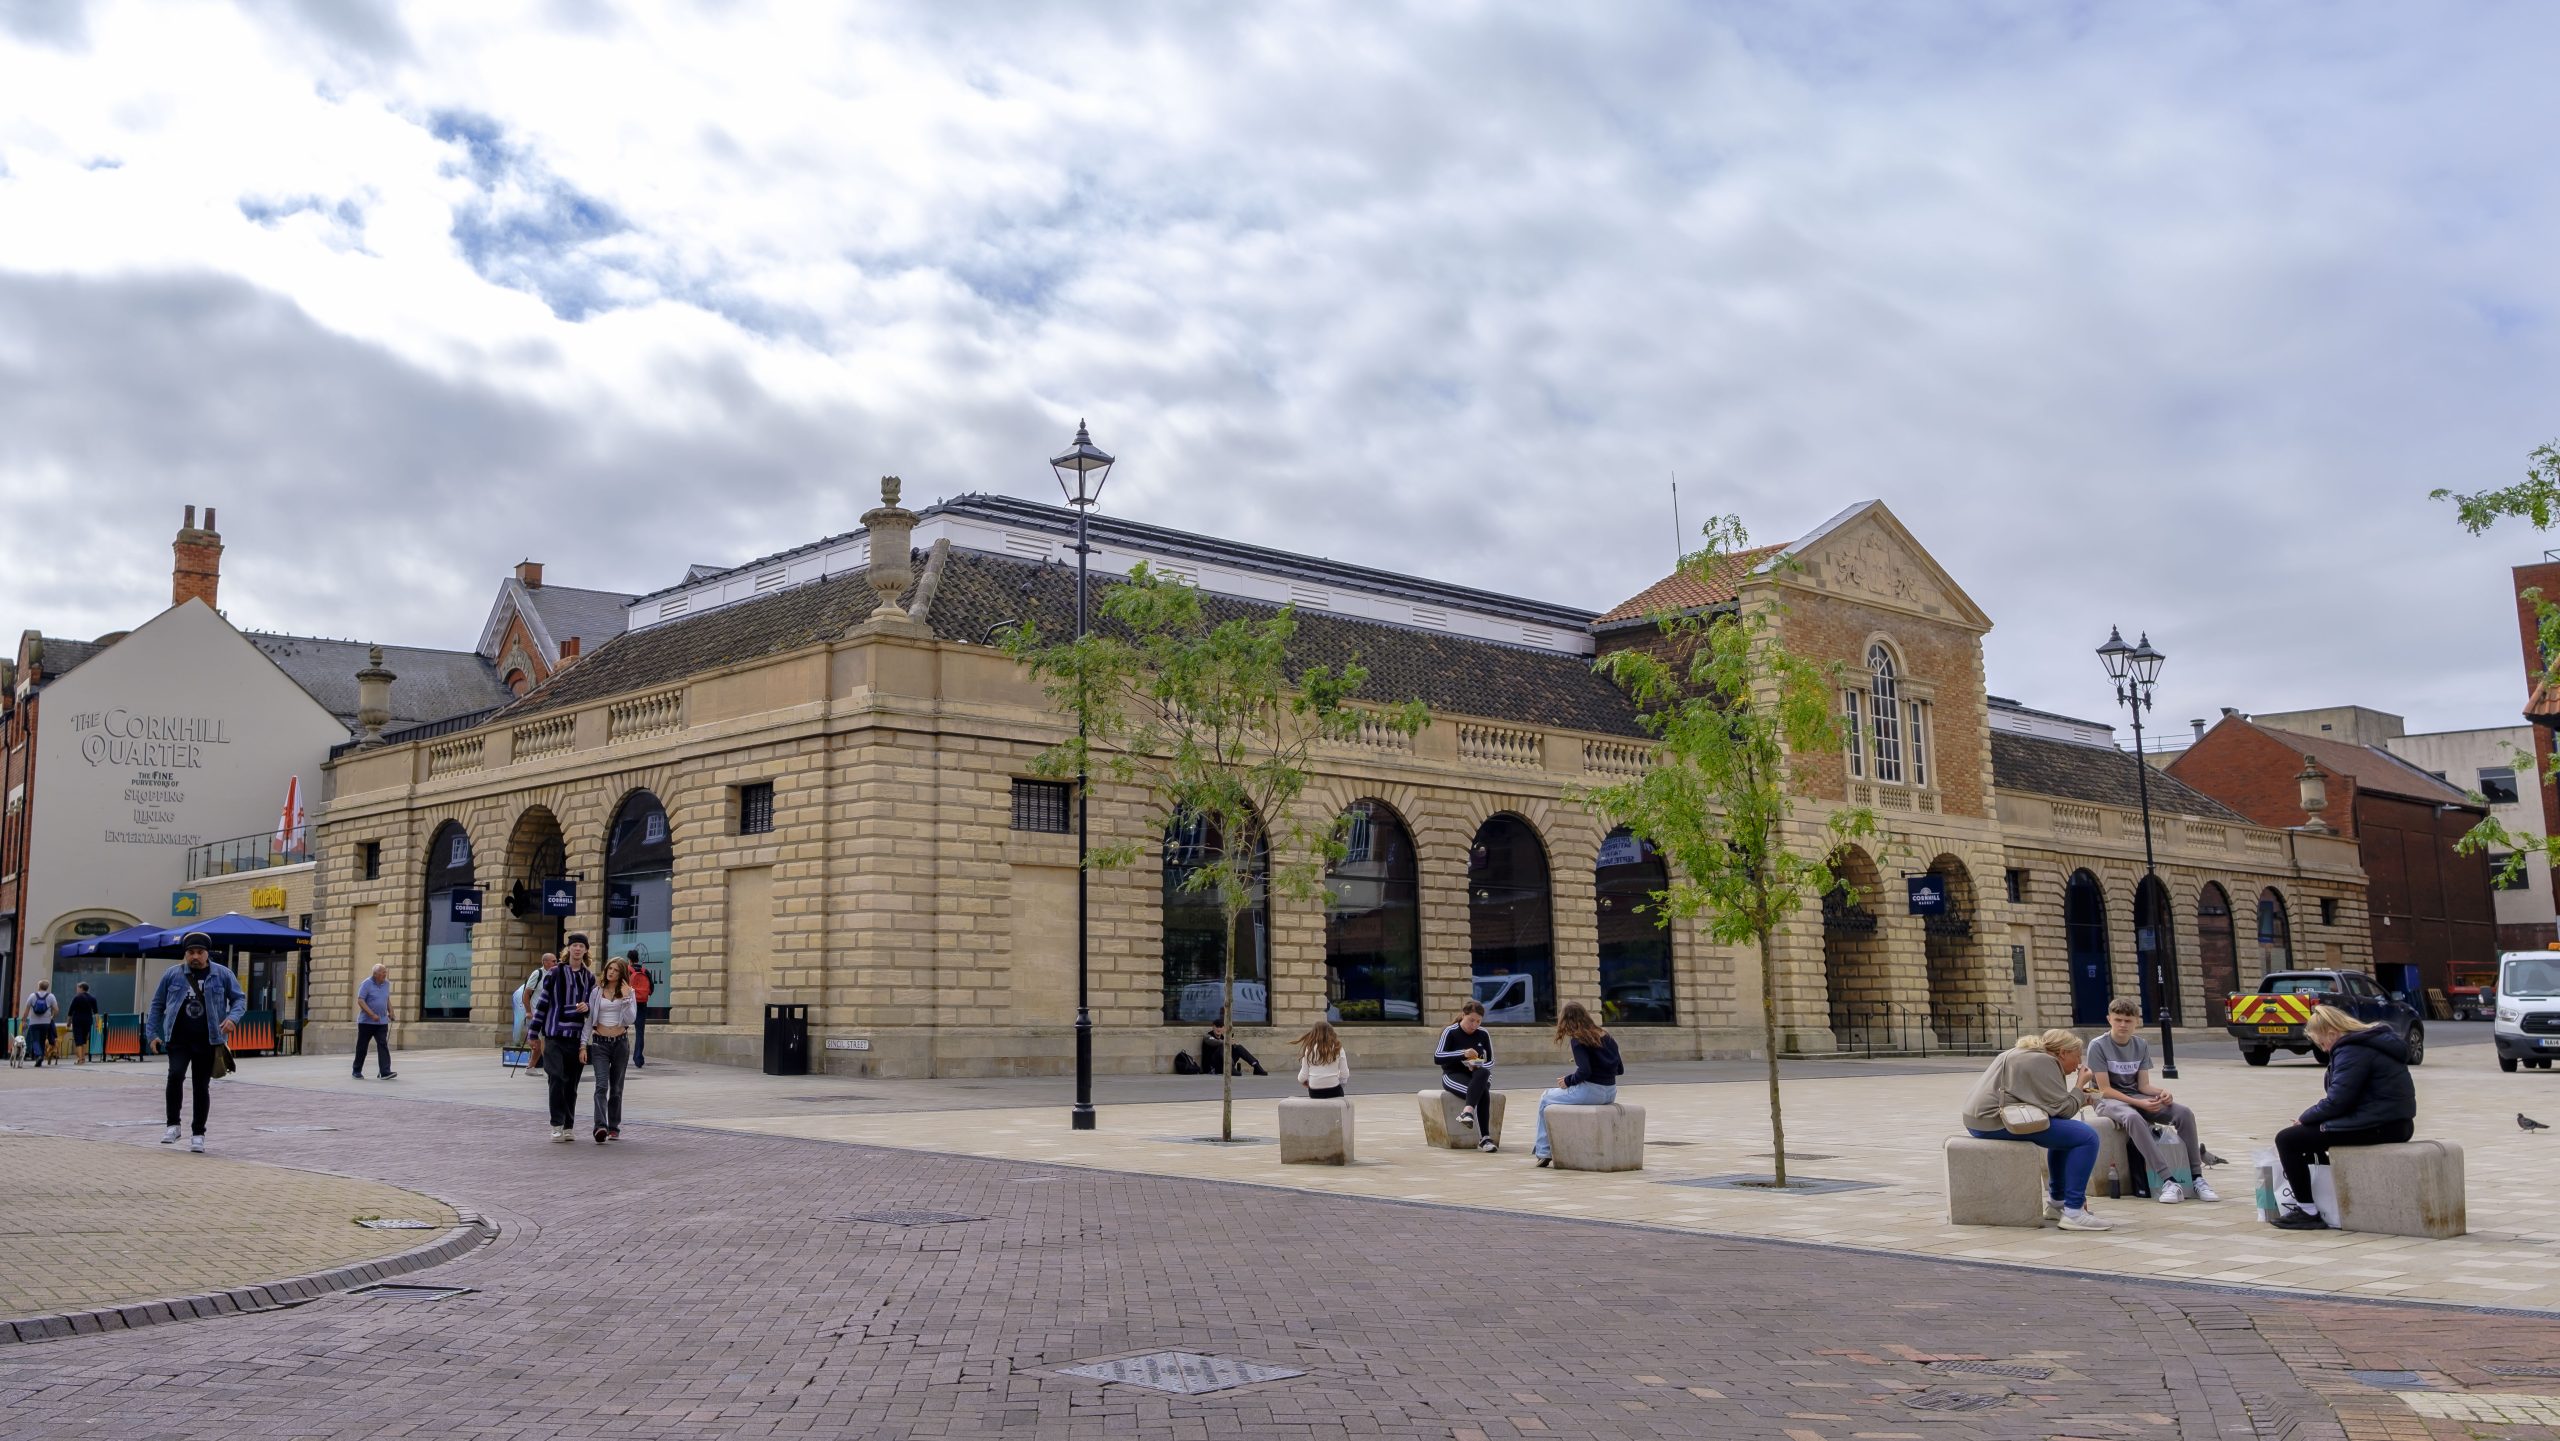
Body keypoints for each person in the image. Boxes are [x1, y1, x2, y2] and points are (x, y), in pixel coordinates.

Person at [2271, 1004, 2418, 1232]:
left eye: (2321, 1043)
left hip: (2380, 1124)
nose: (2324, 1049)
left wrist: (2305, 1118)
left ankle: (2308, 1212)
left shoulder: (2352, 1050)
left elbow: (2338, 1100)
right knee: (2310, 1134)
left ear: (2332, 1033)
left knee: (2287, 1139)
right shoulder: (2369, 1042)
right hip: (2394, 1122)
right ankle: (2326, 1200)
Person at [1961, 1028, 2111, 1231]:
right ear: (2063, 1053)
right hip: (1995, 1122)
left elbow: (2052, 1106)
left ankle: (2057, 1204)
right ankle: (2074, 1211)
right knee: (2086, 1136)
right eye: (2077, 1057)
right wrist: (2079, 1084)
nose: (2078, 1065)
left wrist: (2079, 1098)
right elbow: (2064, 1111)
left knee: (2067, 1137)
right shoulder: (2043, 1061)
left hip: (1980, 1120)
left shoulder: (2025, 1054)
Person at [2086, 998, 2215, 1203]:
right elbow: (2105, 1089)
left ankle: (2196, 1177)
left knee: (2183, 1113)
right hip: (2107, 1100)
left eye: (2128, 1021)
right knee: (2133, 1118)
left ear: (2136, 1022)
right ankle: (2168, 1180)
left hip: (2136, 1096)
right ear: (2109, 1019)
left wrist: (2162, 1092)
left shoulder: (2141, 1045)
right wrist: (2139, 1104)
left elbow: (2143, 1086)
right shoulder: (2098, 1046)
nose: (2122, 1025)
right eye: (2118, 1019)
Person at [146, 935, 245, 1154]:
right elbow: (157, 1004)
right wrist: (152, 1033)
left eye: (200, 952)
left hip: (208, 1039)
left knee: (201, 1086)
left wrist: (233, 1019)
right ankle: (173, 1126)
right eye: (191, 953)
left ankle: (198, 1134)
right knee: (175, 1076)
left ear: (207, 953)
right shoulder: (172, 974)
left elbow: (239, 999)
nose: (195, 957)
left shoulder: (222, 974)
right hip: (178, 1038)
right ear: (185, 954)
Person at [1533, 1001, 1624, 1168]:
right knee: (1553, 1097)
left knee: (1546, 1097)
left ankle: (1543, 1151)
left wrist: (1567, 1081)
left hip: (1591, 1091)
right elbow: (1620, 1069)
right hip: (1611, 1091)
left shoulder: (1578, 1039)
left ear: (1566, 1020)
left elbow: (1585, 1071)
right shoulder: (1606, 1036)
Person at [529, 934, 597, 1142]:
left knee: (572, 1085)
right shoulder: (554, 973)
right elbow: (542, 1004)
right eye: (574, 946)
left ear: (586, 950)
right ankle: (556, 1124)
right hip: (554, 1036)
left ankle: (569, 1125)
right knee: (556, 1078)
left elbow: (594, 1007)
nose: (577, 949)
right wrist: (533, 1033)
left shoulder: (589, 977)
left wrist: (588, 1007)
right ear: (568, 949)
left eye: (581, 946)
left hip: (576, 1038)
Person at [582, 955, 640, 1143]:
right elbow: (589, 1020)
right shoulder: (596, 992)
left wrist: (625, 998)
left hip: (620, 1043)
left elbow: (631, 1019)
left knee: (616, 1088)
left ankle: (614, 1126)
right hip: (599, 1043)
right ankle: (600, 1125)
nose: (611, 972)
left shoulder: (628, 992)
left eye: (615, 969)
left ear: (621, 972)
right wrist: (583, 1044)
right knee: (601, 1085)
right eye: (609, 969)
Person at [1433, 1000, 1500, 1152]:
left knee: (1484, 1072)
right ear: (1463, 1015)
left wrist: (1476, 1063)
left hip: (1478, 1075)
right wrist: (1463, 1054)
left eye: (1478, 1021)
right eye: (1471, 1020)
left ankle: (1467, 1112)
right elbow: (1437, 1057)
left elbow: (1490, 1062)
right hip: (1453, 1075)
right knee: (1483, 1093)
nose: (1474, 1025)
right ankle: (1485, 1139)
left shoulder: (1483, 1034)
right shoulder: (1450, 1031)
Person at [353, 963, 397, 1080]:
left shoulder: (386, 984)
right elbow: (360, 1000)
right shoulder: (366, 983)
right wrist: (371, 1014)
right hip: (366, 1022)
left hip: (382, 1022)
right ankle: (356, 1070)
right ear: (375, 974)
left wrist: (391, 1011)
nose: (385, 974)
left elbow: (386, 999)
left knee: (383, 1045)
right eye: (383, 972)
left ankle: (385, 1072)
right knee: (362, 1047)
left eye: (385, 972)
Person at [1294, 1021, 1349, 1098]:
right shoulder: (1337, 1048)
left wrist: (1304, 1081)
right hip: (1334, 1090)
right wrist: (1339, 1083)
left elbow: (1303, 1076)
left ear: (1314, 1033)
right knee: (1338, 1089)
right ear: (1331, 1033)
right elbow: (1345, 1073)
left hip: (1315, 1092)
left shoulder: (1309, 1049)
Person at [1200, 1021, 1266, 1077]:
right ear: (1213, 1027)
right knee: (1223, 1046)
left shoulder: (1223, 1037)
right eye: (1217, 1027)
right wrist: (1227, 1042)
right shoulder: (1208, 1036)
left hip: (1224, 1065)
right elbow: (1214, 1042)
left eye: (1221, 1027)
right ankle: (1230, 1068)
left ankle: (1256, 1065)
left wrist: (1233, 1044)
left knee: (1238, 1047)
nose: (1218, 1029)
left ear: (1224, 1028)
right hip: (1213, 1067)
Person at [21, 979, 58, 1067]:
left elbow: (26, 1010)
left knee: (35, 1040)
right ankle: (40, 1058)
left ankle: (39, 1055)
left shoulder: (32, 996)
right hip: (46, 1023)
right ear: (47, 987)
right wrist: (52, 1017)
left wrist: (23, 1021)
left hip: (34, 1023)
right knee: (42, 1040)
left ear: (38, 986)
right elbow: (56, 1010)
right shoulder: (51, 996)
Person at [626, 950, 653, 1069]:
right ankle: (638, 1059)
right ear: (638, 958)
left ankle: (621, 1055)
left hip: (628, 1003)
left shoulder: (626, 970)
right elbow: (651, 988)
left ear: (629, 959)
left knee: (621, 1030)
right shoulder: (645, 971)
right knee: (640, 1032)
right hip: (642, 1003)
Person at [66, 982, 98, 1065]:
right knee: (84, 1040)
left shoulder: (77, 998)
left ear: (81, 988)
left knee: (78, 1039)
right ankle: (83, 1058)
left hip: (77, 1020)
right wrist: (97, 1023)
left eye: (77, 988)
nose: (77, 989)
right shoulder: (92, 998)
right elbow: (96, 1012)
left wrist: (68, 1022)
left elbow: (70, 1011)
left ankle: (80, 1060)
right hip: (88, 1020)